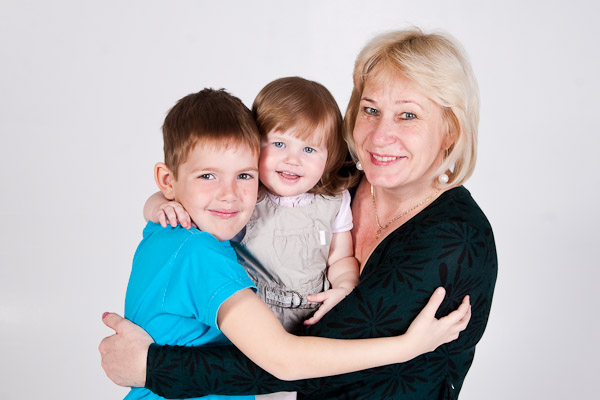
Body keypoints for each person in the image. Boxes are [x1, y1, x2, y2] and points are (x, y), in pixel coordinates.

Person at [101, 28, 497, 399]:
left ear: (451, 130)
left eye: (408, 115)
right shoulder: (335, 180)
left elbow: (293, 359)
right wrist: (160, 203)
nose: (379, 136)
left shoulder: (454, 243)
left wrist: (153, 367)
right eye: (371, 109)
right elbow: (220, 176)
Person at [144, 77, 360, 334]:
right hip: (250, 322)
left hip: (312, 318)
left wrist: (345, 287)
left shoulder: (333, 202)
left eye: (310, 150)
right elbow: (177, 195)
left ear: (330, 155)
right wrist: (160, 205)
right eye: (279, 144)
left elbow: (341, 257)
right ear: (254, 146)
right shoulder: (245, 195)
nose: (293, 160)